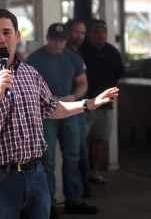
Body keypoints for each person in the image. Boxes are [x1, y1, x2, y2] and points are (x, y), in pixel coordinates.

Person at [0, 9, 119, 219]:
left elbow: (52, 108)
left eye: (7, 31)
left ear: (17, 36)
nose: (2, 38)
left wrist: (89, 104)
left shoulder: (29, 73)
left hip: (35, 176)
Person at [27, 22, 98, 218]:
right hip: (46, 114)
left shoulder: (73, 57)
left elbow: (83, 83)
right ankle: (47, 205)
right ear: (48, 38)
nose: (58, 44)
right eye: (55, 40)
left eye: (62, 40)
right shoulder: (35, 59)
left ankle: (74, 200)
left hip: (70, 111)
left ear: (66, 40)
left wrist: (74, 97)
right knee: (47, 160)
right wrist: (44, 99)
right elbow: (26, 87)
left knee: (73, 156)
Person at [80, 19, 124, 184]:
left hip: (106, 105)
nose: (100, 35)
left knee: (100, 139)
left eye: (103, 32)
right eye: (97, 32)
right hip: (85, 104)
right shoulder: (82, 51)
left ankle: (94, 172)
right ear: (91, 35)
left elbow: (119, 73)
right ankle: (81, 175)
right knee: (81, 141)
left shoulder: (113, 52)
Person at [65, 19, 91, 197]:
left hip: (81, 107)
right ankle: (77, 196)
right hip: (66, 108)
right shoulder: (64, 53)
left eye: (82, 33)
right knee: (76, 154)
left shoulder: (79, 53)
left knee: (80, 153)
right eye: (76, 32)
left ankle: (81, 193)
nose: (79, 36)